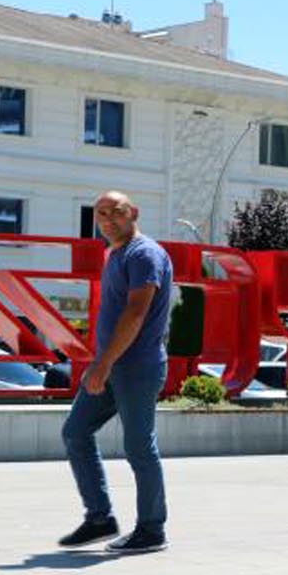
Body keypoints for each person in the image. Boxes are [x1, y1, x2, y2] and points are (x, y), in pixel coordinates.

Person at [57, 191, 175, 554]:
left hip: (135, 367)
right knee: (76, 432)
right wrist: (104, 363)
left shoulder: (144, 254)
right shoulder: (117, 254)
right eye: (101, 213)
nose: (108, 219)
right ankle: (100, 519)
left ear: (134, 213)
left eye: (116, 212)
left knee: (139, 446)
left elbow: (136, 313)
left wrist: (103, 363)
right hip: (112, 365)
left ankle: (152, 529)